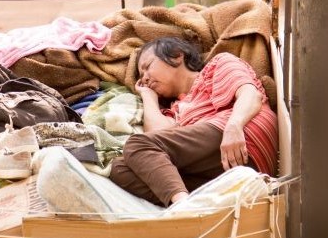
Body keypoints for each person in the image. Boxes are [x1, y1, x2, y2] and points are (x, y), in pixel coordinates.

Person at [109, 37, 278, 207]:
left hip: (244, 136)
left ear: (176, 56)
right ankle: (190, 202)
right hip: (222, 169)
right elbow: (156, 139)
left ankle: (183, 206)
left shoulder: (218, 64)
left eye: (147, 67)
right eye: (141, 75)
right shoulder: (175, 110)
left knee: (136, 144)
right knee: (119, 169)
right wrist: (148, 96)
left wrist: (234, 126)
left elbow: (251, 95)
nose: (144, 78)